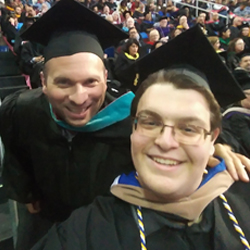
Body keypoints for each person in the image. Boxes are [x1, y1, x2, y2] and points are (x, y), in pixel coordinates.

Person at [32, 26, 250, 250]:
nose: (166, 142)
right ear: (133, 129)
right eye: (151, 122)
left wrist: (220, 149)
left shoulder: (240, 199)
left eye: (189, 128)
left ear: (212, 137)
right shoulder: (86, 231)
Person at [0, 0, 129, 249]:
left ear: (105, 77)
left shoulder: (130, 120)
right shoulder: (21, 110)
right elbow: (14, 149)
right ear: (43, 81)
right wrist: (26, 191)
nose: (79, 98)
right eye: (63, 83)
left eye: (90, 82)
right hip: (46, 219)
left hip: (107, 230)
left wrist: (221, 146)